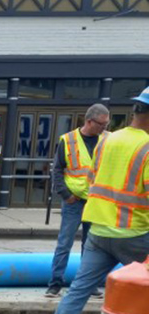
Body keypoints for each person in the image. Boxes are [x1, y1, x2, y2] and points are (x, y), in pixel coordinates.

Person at [38, 86, 149, 314]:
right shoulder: (147, 148)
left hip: (99, 229)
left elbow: (94, 179)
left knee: (77, 292)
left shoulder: (107, 141)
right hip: (134, 234)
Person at [45, 103, 111, 298]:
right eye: (102, 124)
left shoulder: (107, 140)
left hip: (96, 201)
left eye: (106, 124)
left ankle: (88, 285)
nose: (105, 128)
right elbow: (57, 169)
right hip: (74, 202)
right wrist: (66, 195)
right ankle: (55, 283)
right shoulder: (68, 140)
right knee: (64, 243)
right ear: (89, 121)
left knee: (91, 246)